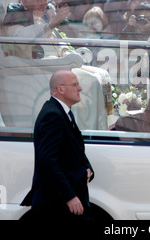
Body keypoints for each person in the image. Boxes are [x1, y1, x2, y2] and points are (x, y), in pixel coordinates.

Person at [20, 69, 94, 220]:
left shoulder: (63, 112)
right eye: (75, 85)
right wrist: (70, 197)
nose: (80, 89)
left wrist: (87, 168)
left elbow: (74, 147)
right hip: (57, 203)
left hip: (64, 200)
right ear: (60, 89)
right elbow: (47, 160)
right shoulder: (52, 115)